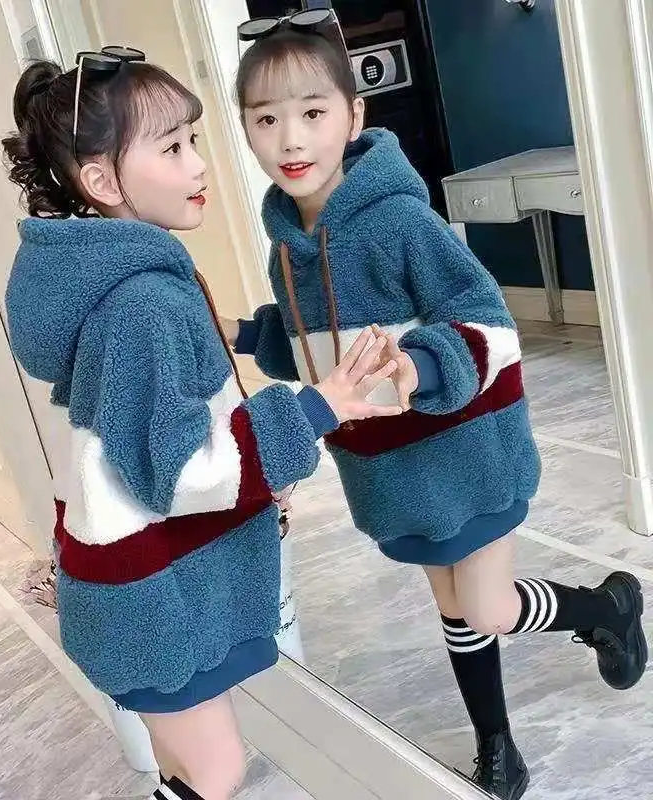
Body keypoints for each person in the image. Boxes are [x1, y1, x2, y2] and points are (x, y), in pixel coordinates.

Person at [227, 18, 648, 800]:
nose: (291, 137)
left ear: (354, 115)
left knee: (485, 606)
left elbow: (488, 320)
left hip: (468, 448)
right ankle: (497, 745)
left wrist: (420, 365)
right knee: (454, 604)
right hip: (393, 473)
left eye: (313, 112)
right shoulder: (287, 249)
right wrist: (248, 335)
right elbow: (312, 346)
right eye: (265, 118)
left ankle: (605, 606)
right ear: (246, 128)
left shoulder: (400, 222)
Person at [1, 48, 399, 800]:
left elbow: (132, 445)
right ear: (102, 182)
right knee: (217, 771)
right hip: (153, 598)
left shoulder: (117, 287)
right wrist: (315, 408)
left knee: (185, 768)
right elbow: (180, 469)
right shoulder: (142, 303)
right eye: (172, 148)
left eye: (194, 139)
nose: (198, 164)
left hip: (135, 586)